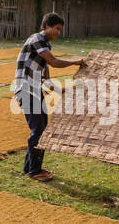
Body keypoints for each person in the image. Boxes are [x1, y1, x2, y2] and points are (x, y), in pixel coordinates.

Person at [13, 12, 85, 182]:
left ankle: (30, 167)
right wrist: (75, 61)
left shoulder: (45, 47)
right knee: (38, 130)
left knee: (42, 129)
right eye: (56, 28)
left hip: (36, 90)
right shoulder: (36, 40)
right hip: (26, 90)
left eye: (60, 30)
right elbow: (54, 62)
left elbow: (47, 80)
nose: (58, 33)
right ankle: (34, 170)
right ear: (46, 26)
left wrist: (64, 91)